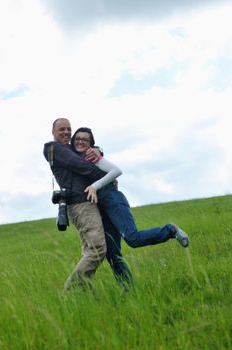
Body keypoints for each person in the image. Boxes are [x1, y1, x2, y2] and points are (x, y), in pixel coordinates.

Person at [43, 118, 132, 290]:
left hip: (86, 202)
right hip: (81, 204)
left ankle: (83, 293)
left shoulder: (66, 148)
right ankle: (70, 292)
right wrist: (107, 178)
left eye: (69, 129)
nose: (66, 132)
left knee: (91, 250)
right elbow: (82, 165)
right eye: (61, 129)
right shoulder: (56, 149)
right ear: (52, 132)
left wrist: (97, 151)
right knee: (97, 250)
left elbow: (83, 153)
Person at [71, 127, 190, 250]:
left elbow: (116, 171)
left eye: (85, 140)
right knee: (112, 252)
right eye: (78, 139)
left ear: (90, 144)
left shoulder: (91, 156)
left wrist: (95, 186)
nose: (80, 142)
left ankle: (170, 230)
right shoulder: (75, 159)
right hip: (102, 208)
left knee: (133, 238)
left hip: (113, 201)